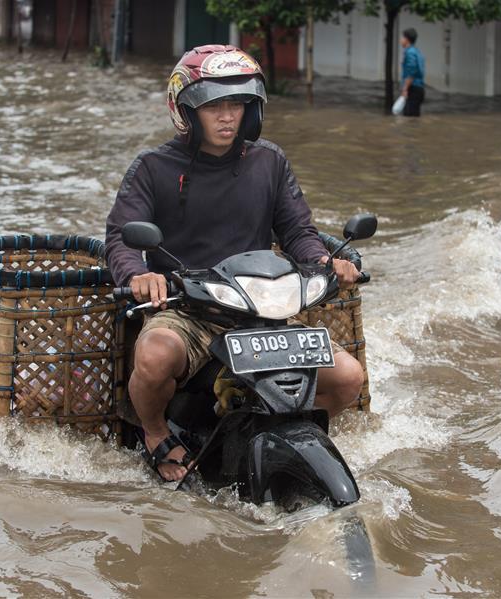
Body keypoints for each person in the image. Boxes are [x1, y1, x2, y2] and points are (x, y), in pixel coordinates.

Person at [105, 45, 366, 482]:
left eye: (238, 105)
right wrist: (138, 275)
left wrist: (325, 261)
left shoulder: (269, 162)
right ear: (186, 110)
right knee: (153, 356)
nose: (228, 117)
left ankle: (293, 433)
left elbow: (299, 233)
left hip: (261, 311)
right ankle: (154, 433)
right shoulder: (153, 168)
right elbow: (121, 235)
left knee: (347, 377)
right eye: (215, 107)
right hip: (188, 308)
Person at [400, 28, 426, 117]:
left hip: (413, 89)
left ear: (406, 39)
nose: (401, 40)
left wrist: (405, 89)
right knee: (413, 120)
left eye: (402, 38)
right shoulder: (416, 52)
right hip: (418, 89)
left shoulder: (410, 53)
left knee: (408, 119)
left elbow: (412, 72)